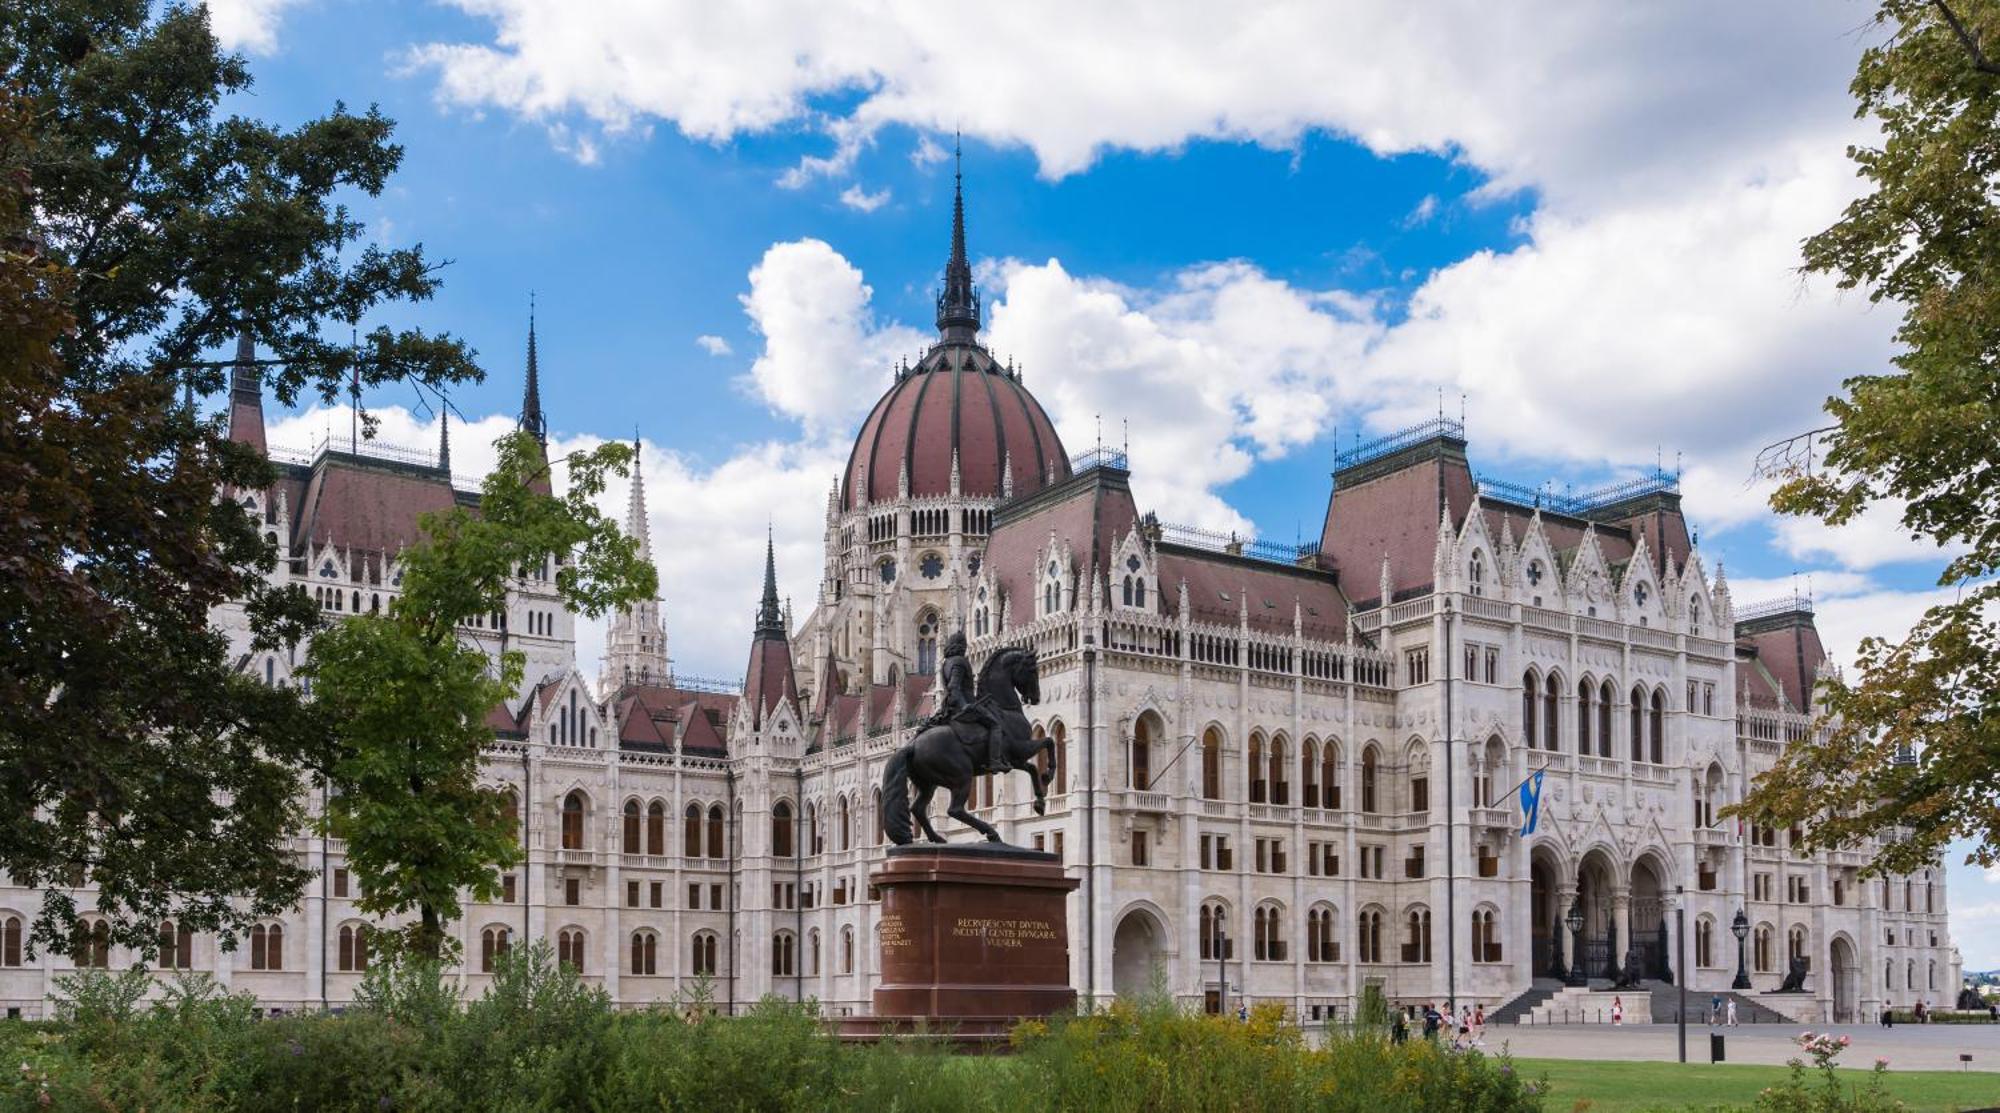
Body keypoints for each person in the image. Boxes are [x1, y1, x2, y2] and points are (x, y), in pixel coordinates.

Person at [937, 631, 1009, 774]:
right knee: (995, 725)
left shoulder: (946, 663)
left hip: (949, 706)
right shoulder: (959, 661)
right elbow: (953, 686)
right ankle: (995, 761)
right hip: (963, 706)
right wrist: (965, 705)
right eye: (964, 644)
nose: (965, 647)